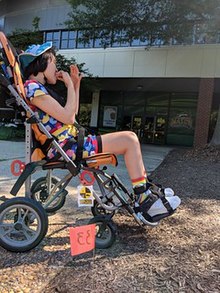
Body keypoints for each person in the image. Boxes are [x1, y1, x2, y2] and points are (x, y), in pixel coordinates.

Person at [18, 42, 181, 223]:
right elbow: (69, 118)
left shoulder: (37, 88)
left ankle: (145, 193)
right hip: (67, 147)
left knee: (129, 139)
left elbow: (72, 114)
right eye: (53, 62)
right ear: (41, 63)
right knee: (130, 139)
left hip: (69, 144)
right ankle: (143, 198)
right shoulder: (32, 87)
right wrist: (70, 87)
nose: (56, 66)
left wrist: (76, 84)